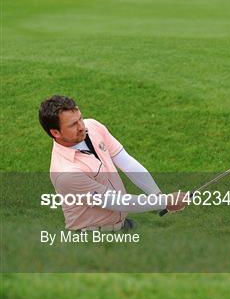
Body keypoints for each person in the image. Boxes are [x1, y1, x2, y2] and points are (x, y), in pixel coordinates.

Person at [39, 95, 186, 231]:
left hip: (121, 225)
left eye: (80, 118)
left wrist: (158, 195)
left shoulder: (93, 127)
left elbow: (127, 163)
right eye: (73, 125)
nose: (82, 126)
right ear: (55, 133)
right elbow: (116, 202)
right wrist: (165, 202)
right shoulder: (66, 173)